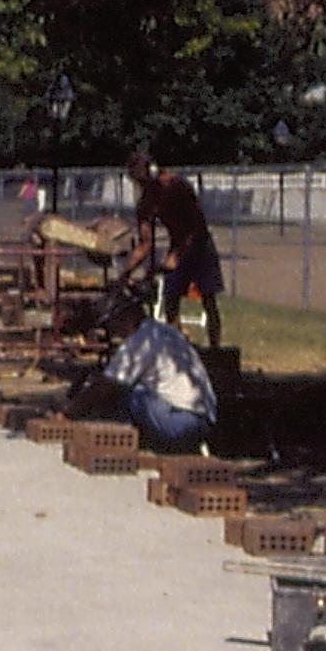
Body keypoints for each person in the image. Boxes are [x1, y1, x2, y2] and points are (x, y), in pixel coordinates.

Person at [72, 292, 217, 451]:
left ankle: (122, 444)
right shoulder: (164, 331)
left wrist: (69, 413)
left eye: (112, 324)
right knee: (136, 388)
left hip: (180, 423)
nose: (113, 331)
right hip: (205, 421)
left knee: (130, 394)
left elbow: (104, 386)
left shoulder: (140, 342)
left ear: (126, 318)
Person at [124, 150, 224, 347]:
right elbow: (145, 243)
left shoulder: (178, 187)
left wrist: (176, 254)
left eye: (143, 180)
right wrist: (126, 271)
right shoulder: (146, 202)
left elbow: (197, 226)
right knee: (171, 299)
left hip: (201, 246)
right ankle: (177, 347)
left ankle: (215, 350)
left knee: (209, 300)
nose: (143, 187)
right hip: (178, 246)